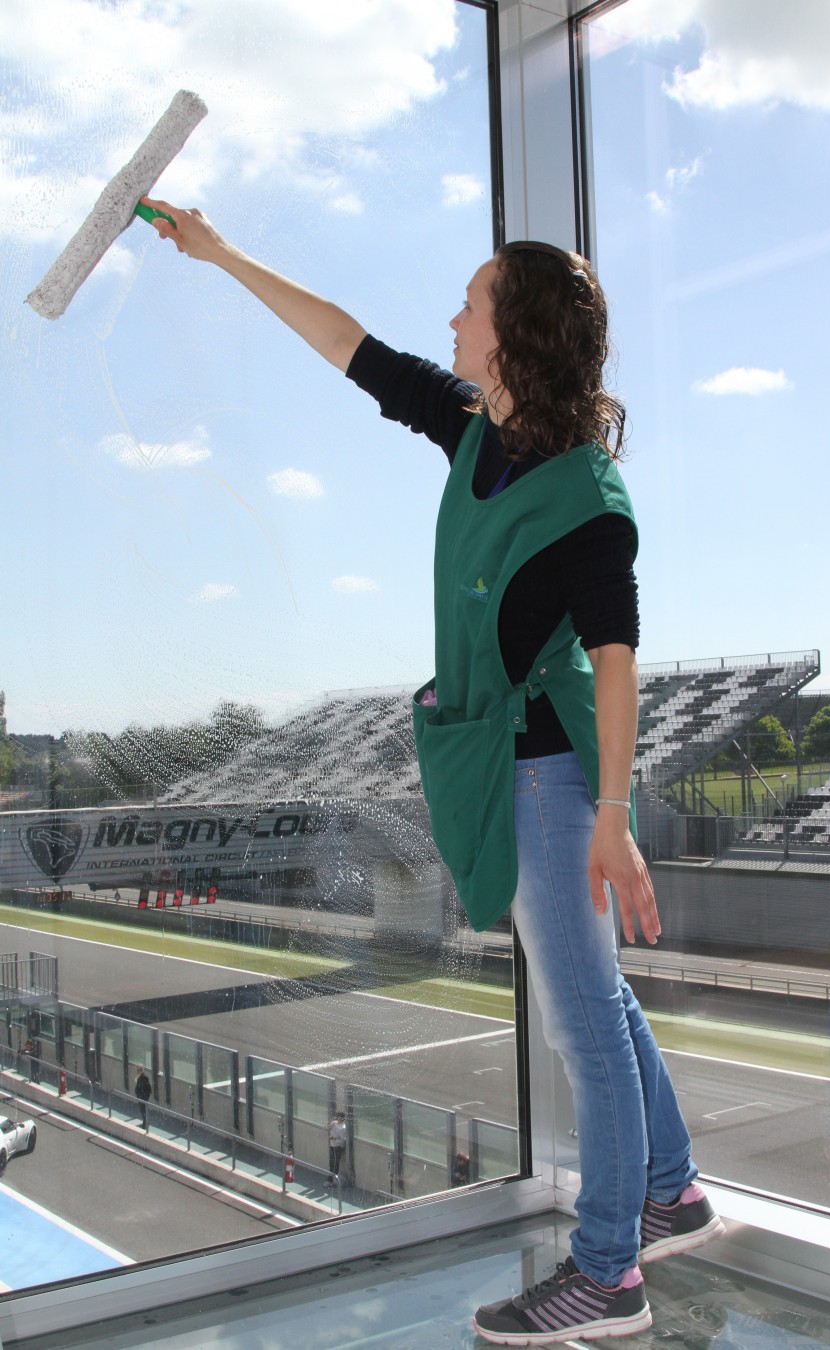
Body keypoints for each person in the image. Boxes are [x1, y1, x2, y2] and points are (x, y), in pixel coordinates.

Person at [146, 199, 725, 1344]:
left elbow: (617, 662)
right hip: (521, 769)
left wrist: (612, 815)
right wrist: (218, 254)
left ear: (514, 336)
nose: (452, 319)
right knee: (601, 1002)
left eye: (469, 304)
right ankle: (674, 1194)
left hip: (550, 780)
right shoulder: (476, 430)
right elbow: (347, 343)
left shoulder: (588, 501)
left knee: (583, 1024)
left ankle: (608, 1274)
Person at [327, 1111, 347, 1182]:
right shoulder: (334, 1123)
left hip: (338, 1147)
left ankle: (334, 1179)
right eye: (337, 1116)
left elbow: (343, 1140)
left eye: (340, 1117)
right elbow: (328, 1128)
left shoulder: (343, 1128)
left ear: (343, 1118)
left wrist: (334, 1138)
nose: (338, 1118)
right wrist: (329, 1123)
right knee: (331, 1162)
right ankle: (330, 1178)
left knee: (336, 1163)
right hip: (332, 1145)